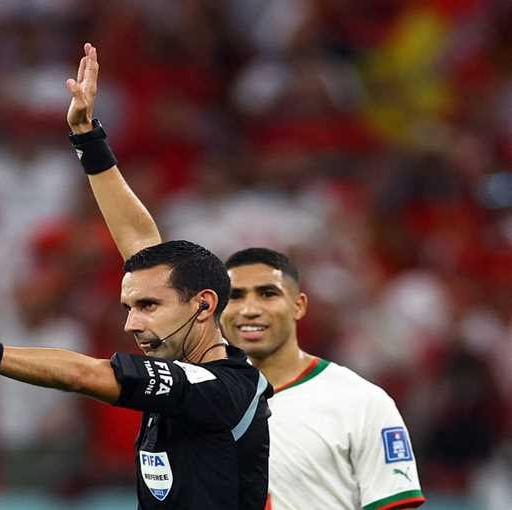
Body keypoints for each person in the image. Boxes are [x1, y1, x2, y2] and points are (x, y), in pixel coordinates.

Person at [66, 42, 425, 509]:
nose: (250, 308)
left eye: (268, 293)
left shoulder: (359, 402)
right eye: (238, 295)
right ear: (209, 306)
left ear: (300, 305)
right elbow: (140, 244)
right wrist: (88, 140)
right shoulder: (190, 385)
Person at [0, 239, 272, 509]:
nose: (131, 324)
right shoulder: (184, 372)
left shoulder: (222, 388)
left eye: (148, 306)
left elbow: (82, 374)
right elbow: (140, 238)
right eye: (129, 308)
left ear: (203, 306)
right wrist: (91, 149)